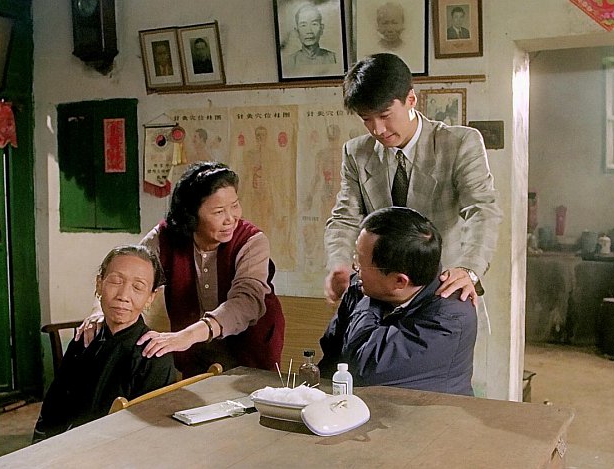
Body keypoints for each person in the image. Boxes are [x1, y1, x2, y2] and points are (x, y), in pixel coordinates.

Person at [324, 53, 501, 394]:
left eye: (384, 116)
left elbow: (483, 210)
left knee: (445, 396)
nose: (377, 130)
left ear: (410, 99)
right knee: (370, 389)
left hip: (441, 295)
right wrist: (339, 263)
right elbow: (344, 216)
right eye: (366, 119)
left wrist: (470, 269)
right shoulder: (356, 152)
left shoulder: (458, 143)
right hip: (383, 298)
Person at [77, 162, 285, 378]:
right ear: (191, 214)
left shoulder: (251, 241)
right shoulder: (165, 236)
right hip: (194, 352)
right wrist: (99, 311)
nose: (231, 218)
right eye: (219, 212)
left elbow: (246, 301)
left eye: (235, 205)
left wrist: (187, 336)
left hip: (250, 349)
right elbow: (128, 269)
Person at [318, 207, 477, 395]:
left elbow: (363, 368)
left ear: (400, 281)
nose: (355, 269)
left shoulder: (449, 318)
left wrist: (370, 298)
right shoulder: (363, 288)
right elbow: (331, 355)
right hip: (355, 406)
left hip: (426, 412)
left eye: (361, 263)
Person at [32, 245, 177, 442]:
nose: (123, 296)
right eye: (116, 281)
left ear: (151, 297)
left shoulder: (153, 354)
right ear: (99, 284)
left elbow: (148, 434)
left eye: (138, 287)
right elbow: (53, 407)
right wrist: (41, 447)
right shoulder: (84, 339)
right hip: (66, 448)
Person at [287, 3, 336, 70]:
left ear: (321, 29)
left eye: (314, 24)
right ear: (297, 31)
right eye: (303, 25)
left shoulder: (333, 58)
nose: (309, 31)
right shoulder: (290, 61)